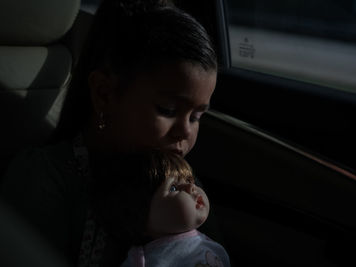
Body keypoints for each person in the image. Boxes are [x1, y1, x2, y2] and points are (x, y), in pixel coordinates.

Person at [0, 0, 218, 266]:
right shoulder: (46, 180)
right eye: (167, 109)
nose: (185, 131)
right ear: (104, 94)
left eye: (196, 117)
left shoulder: (183, 184)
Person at [91, 150, 230, 267]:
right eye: (173, 188)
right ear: (142, 215)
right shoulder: (142, 260)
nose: (191, 187)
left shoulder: (209, 244)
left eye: (189, 180)